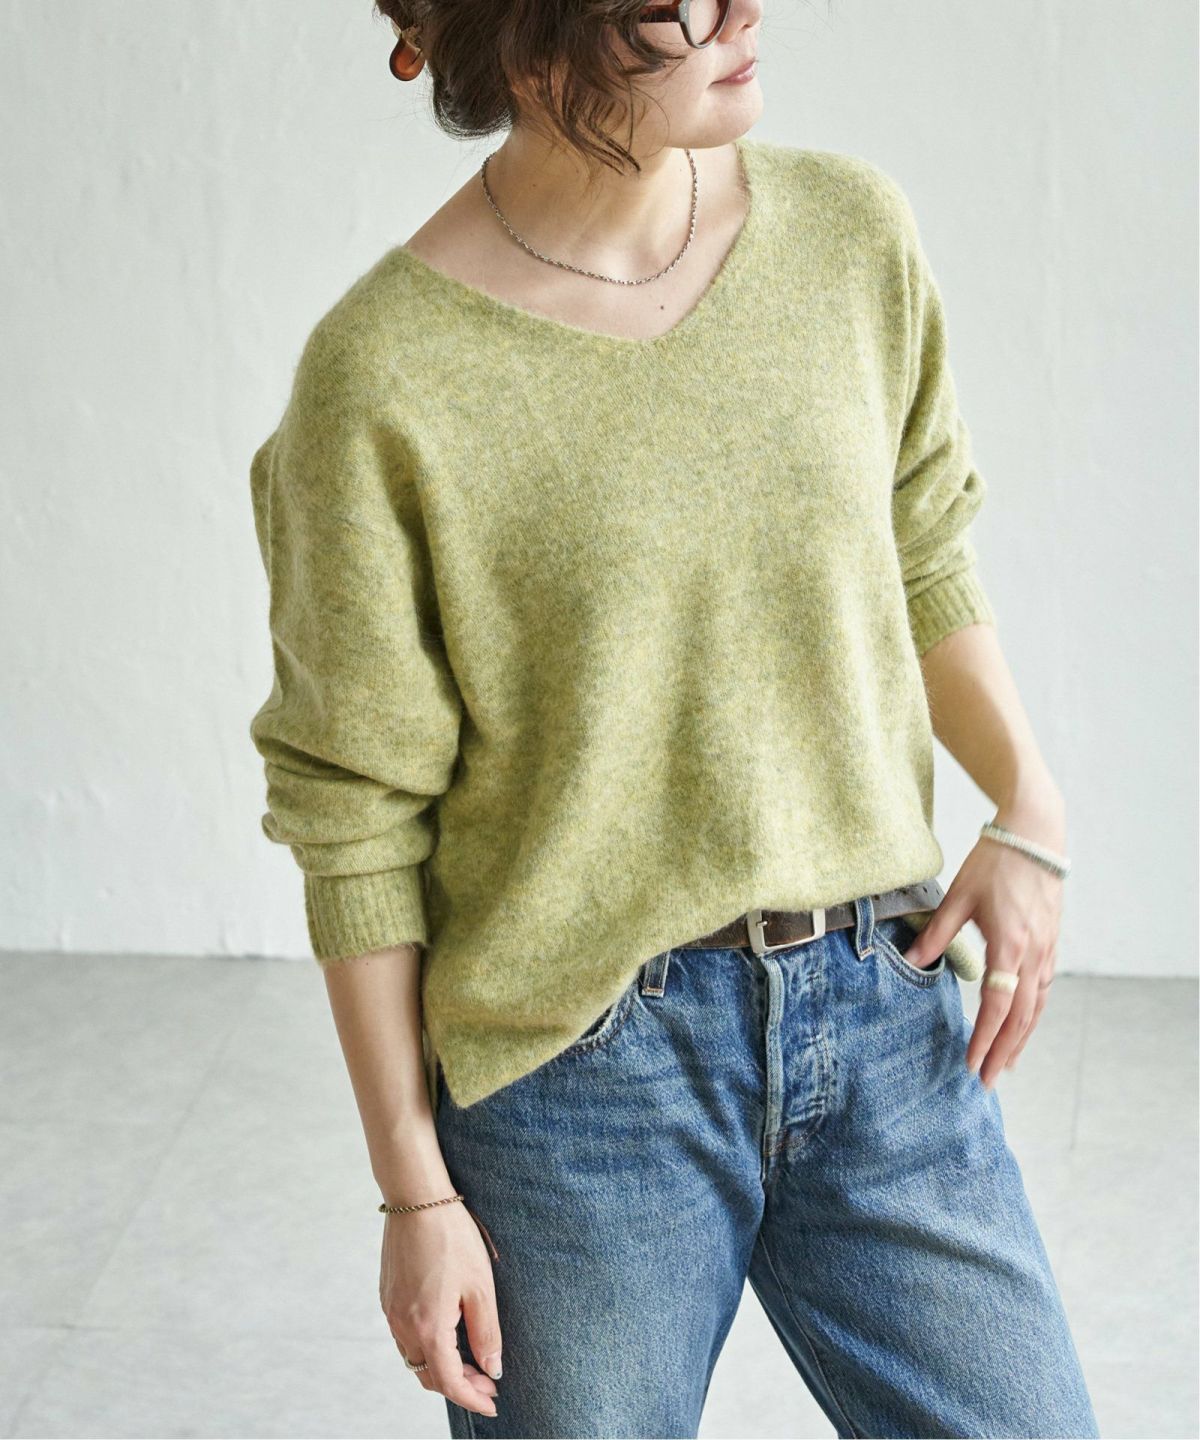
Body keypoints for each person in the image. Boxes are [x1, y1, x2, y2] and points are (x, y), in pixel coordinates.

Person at [246, 2, 1101, 1435]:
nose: (743, 10)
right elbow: (355, 821)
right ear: (533, 46)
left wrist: (1028, 803)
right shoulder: (382, 377)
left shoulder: (850, 236)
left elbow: (921, 550)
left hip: (880, 1009)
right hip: (581, 1080)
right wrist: (416, 1193)